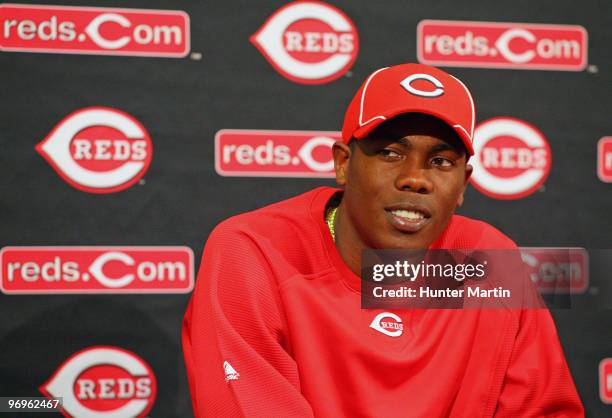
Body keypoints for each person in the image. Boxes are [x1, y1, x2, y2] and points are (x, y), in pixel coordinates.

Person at [182, 63, 584, 417]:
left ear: (463, 184)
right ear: (343, 163)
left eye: (441, 162)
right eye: (391, 152)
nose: (415, 178)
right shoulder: (255, 250)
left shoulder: (489, 262)